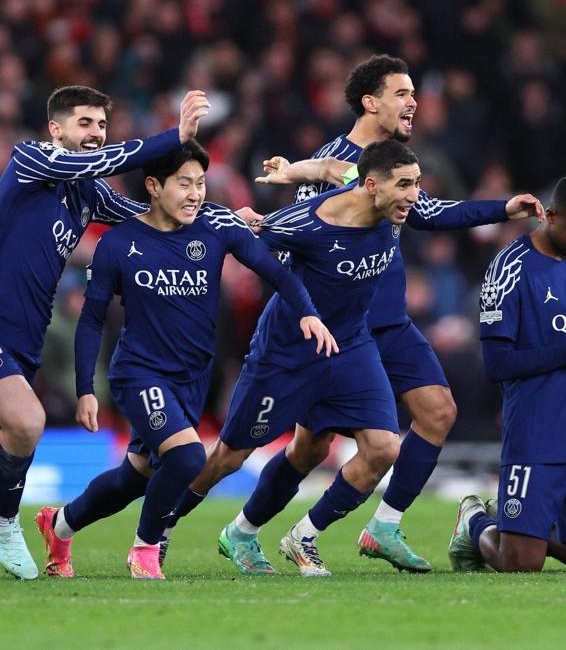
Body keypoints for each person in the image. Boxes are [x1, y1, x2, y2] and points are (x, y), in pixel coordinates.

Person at [249, 54, 542, 572]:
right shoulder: (335, 163)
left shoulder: (399, 163)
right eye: (403, 94)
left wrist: (502, 208)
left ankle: (382, 526)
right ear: (371, 102)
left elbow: (431, 212)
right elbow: (299, 243)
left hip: (389, 320)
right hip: (341, 328)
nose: (414, 103)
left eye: (413, 93)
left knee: (438, 412)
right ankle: (243, 529)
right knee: (308, 449)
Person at [33, 141, 332, 579]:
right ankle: (145, 547)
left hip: (191, 377)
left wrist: (307, 310)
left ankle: (58, 524)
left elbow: (278, 274)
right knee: (190, 457)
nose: (195, 193)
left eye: (200, 183)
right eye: (184, 184)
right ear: (153, 186)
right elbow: (92, 320)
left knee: (135, 476)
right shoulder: (118, 243)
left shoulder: (216, 226)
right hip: (139, 373)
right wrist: (84, 389)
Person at [166, 139, 426, 577]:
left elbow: (330, 166)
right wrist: (247, 223)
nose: (414, 196)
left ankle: (300, 536)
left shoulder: (389, 201)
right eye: (405, 185)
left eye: (417, 184)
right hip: (287, 352)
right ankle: (161, 524)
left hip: (349, 346)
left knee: (383, 448)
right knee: (229, 458)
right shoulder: (310, 222)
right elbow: (245, 234)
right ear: (372, 186)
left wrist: (291, 170)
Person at [0, 84, 209, 580]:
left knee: (17, 427)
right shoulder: (32, 160)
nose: (95, 134)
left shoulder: (87, 194)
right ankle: (7, 524)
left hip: (25, 335)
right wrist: (173, 136)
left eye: (101, 125)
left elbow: (152, 217)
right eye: (84, 124)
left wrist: (221, 222)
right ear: (56, 129)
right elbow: (113, 159)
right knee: (27, 421)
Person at [448, 175, 566, 573]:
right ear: (550, 216)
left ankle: (529, 534)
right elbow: (496, 365)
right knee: (519, 567)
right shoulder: (510, 266)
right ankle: (476, 522)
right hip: (536, 434)